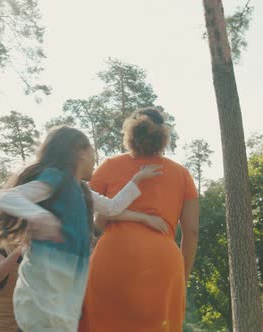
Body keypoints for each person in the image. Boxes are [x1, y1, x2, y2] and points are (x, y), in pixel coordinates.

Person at [0, 126, 166, 331]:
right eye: (92, 152)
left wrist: (137, 179)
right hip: (41, 297)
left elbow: (112, 208)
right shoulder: (56, 179)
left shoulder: (83, 191)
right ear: (80, 152)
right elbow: (8, 197)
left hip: (65, 301)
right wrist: (39, 216)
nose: (95, 158)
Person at [79, 107, 200, 332]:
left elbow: (87, 211)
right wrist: (182, 277)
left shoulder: (109, 166)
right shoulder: (181, 174)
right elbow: (192, 231)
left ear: (130, 132)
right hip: (163, 263)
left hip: (112, 259)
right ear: (163, 135)